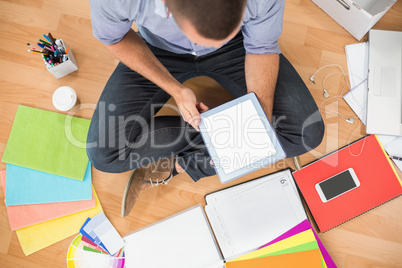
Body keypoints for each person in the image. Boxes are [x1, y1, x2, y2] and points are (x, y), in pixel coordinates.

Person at [87, 0, 325, 217]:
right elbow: (113, 38)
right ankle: (215, 139)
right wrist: (175, 89)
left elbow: (261, 47)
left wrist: (257, 120)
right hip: (158, 51)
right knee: (104, 153)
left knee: (306, 133)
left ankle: (182, 163)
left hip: (237, 47)